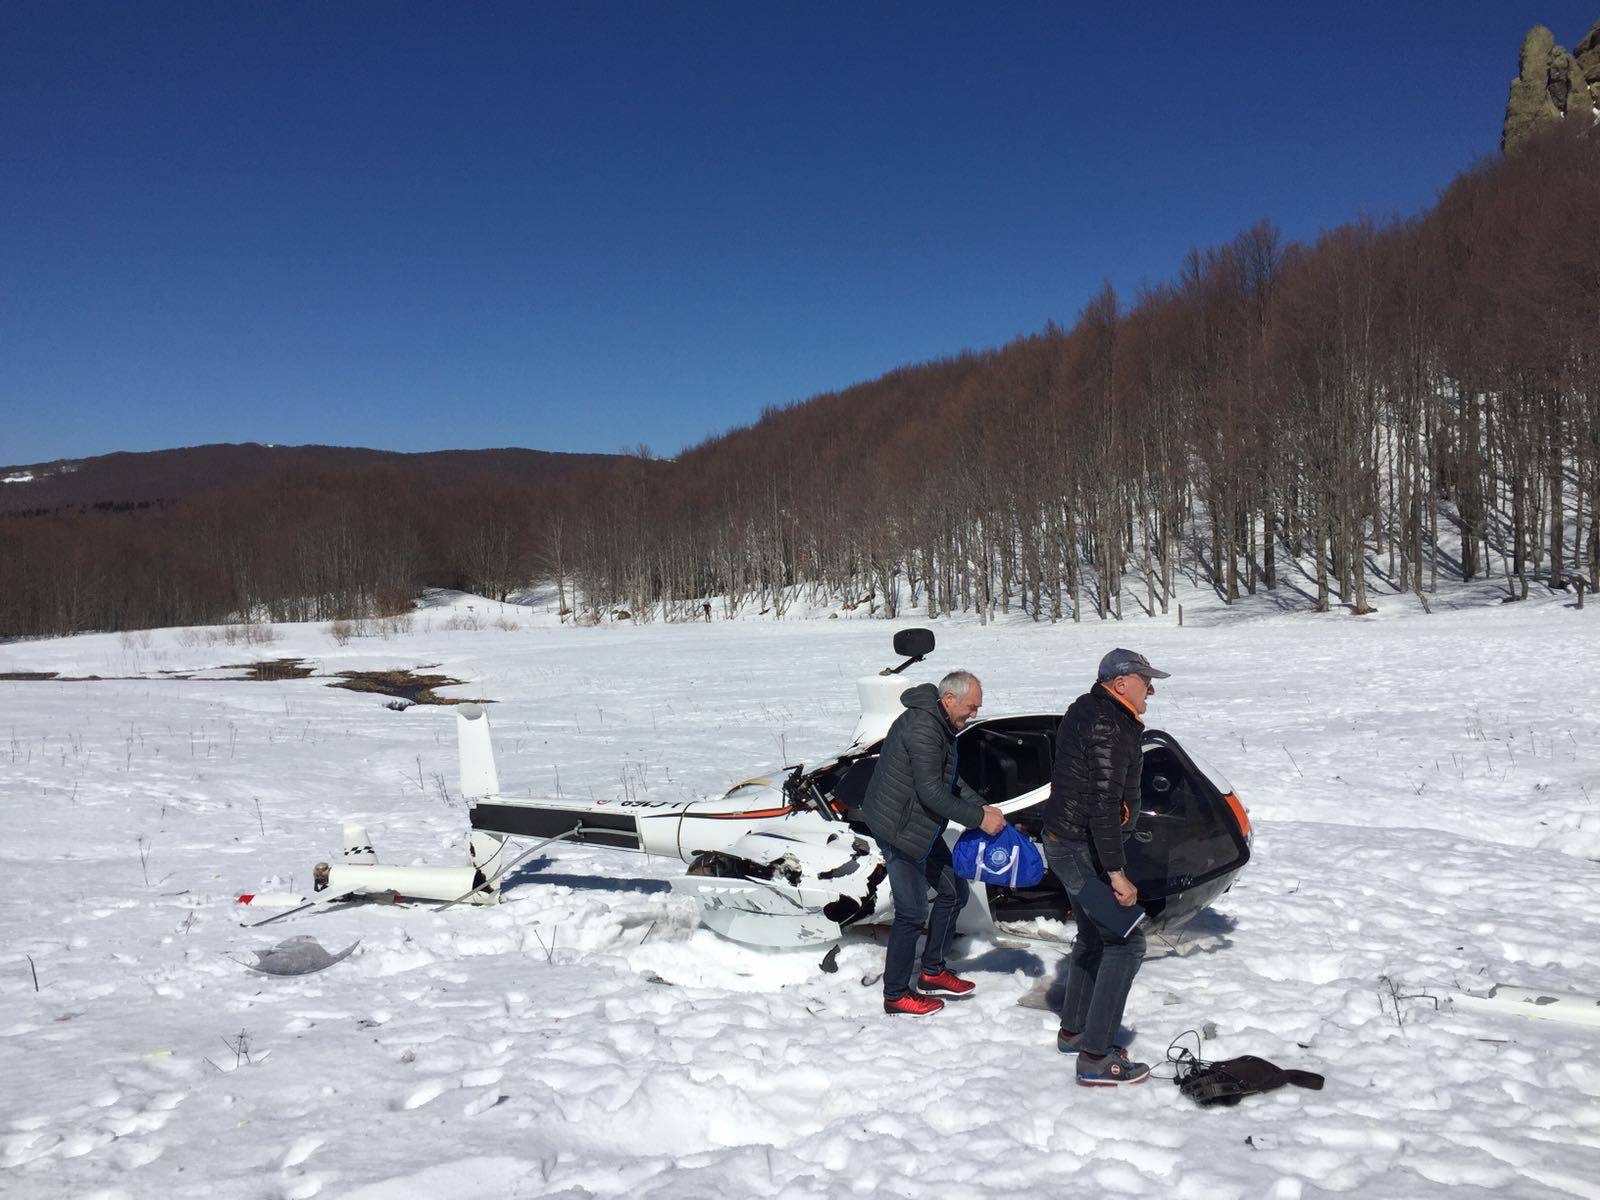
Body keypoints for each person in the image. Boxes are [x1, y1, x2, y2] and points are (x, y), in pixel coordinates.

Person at [1042, 648, 1170, 1085]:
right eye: (1144, 680)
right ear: (1119, 684)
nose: (1150, 688)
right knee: (1127, 943)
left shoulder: (1094, 710)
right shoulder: (1108, 726)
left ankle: (1075, 1030)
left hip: (1073, 843)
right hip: (1080, 850)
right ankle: (1096, 1058)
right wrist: (1116, 872)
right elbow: (1102, 801)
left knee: (1095, 938)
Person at [861, 670, 1007, 1016]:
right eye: (971, 707)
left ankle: (931, 970)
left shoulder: (939, 724)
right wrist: (978, 819)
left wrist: (980, 806)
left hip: (918, 824)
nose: (974, 714)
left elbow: (947, 780)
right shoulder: (925, 728)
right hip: (899, 828)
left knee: (953, 892)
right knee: (912, 912)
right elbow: (932, 793)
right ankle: (896, 994)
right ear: (949, 699)